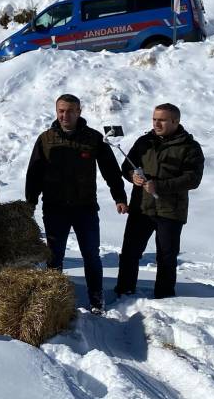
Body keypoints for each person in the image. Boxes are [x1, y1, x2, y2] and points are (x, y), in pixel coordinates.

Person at [25, 94, 128, 313]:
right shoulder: (46, 139)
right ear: (56, 111)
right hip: (55, 208)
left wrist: (119, 197)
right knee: (54, 256)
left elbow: (110, 169)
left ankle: (96, 299)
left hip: (85, 208)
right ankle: (53, 301)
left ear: (79, 111)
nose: (65, 115)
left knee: (91, 255)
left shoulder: (93, 138)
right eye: (61, 110)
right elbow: (34, 172)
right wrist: (30, 202)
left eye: (70, 110)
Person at [115, 103, 204, 299]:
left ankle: (164, 297)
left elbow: (193, 179)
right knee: (130, 253)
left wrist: (160, 186)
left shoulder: (189, 147)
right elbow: (126, 166)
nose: (156, 123)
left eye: (162, 120)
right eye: (154, 119)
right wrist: (133, 177)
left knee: (166, 257)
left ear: (175, 121)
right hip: (141, 207)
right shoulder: (144, 141)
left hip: (170, 210)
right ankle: (124, 291)